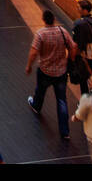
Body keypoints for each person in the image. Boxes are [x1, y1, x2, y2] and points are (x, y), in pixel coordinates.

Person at [26, 8, 76, 140]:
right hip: (61, 72)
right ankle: (65, 131)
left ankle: (36, 105)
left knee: (40, 90)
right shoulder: (62, 31)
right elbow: (73, 47)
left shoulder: (41, 34)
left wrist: (29, 66)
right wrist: (70, 59)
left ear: (43, 20)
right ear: (53, 19)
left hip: (45, 70)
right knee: (61, 100)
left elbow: (33, 52)